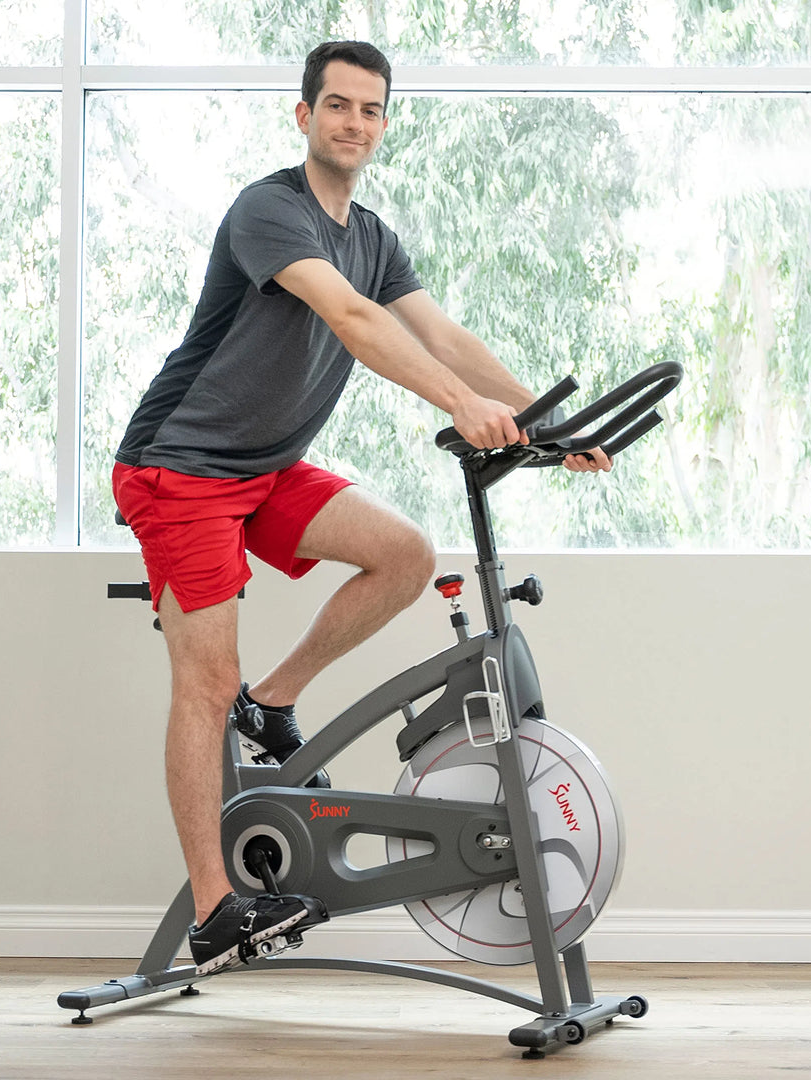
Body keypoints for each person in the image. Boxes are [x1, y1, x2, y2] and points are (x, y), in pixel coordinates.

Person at [112, 40, 612, 976]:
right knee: (202, 684)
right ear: (303, 117)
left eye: (369, 110)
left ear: (385, 124)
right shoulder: (270, 211)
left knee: (405, 556)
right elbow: (354, 320)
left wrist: (551, 421)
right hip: (177, 468)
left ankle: (277, 698)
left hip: (264, 468)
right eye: (336, 105)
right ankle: (216, 911)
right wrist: (458, 407)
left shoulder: (374, 235)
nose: (352, 122)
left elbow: (440, 332)